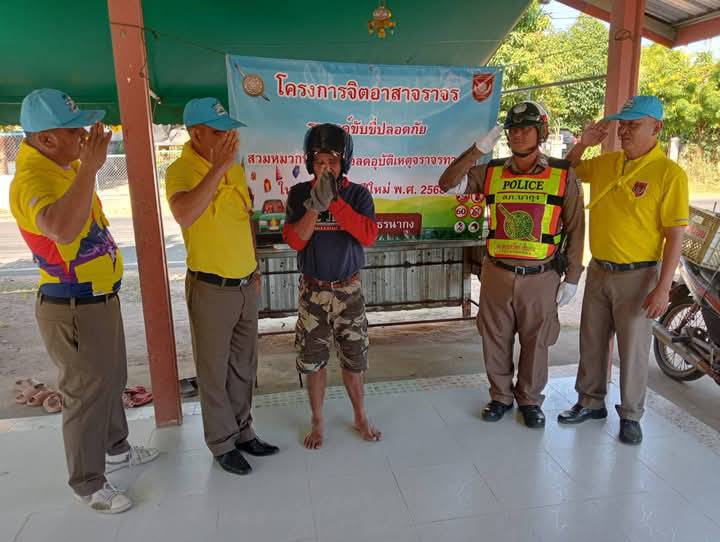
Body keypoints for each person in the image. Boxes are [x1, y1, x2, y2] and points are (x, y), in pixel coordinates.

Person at [9, 88, 158, 514]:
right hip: (72, 305)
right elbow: (59, 228)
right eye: (74, 130)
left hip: (98, 298)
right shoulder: (31, 180)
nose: (83, 137)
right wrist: (90, 168)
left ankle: (117, 450)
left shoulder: (65, 166)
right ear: (46, 138)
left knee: (110, 380)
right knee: (84, 396)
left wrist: (85, 166)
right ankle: (88, 483)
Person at [438, 101, 585, 428]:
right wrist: (477, 151)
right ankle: (501, 396)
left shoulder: (562, 174)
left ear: (541, 132)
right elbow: (447, 183)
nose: (518, 135)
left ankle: (529, 400)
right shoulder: (491, 171)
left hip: (541, 276)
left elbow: (576, 227)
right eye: (513, 129)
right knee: (495, 339)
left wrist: (573, 277)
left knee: (537, 342)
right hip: (497, 274)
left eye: (526, 129)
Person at [558, 95, 689, 445]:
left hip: (639, 276)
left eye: (634, 125)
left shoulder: (669, 174)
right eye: (623, 124)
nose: (624, 131)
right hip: (600, 269)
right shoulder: (607, 163)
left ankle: (631, 414)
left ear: (656, 128)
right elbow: (563, 173)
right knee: (592, 341)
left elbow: (675, 235)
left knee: (633, 350)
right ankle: (590, 402)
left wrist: (663, 288)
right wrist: (583, 144)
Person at [165, 98, 278, 475]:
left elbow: (245, 219)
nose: (229, 138)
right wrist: (218, 168)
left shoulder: (235, 169)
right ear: (196, 134)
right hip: (211, 289)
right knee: (213, 371)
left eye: (230, 131)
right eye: (220, 132)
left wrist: (255, 266)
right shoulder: (181, 170)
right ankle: (221, 443)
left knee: (244, 366)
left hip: (245, 283)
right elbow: (184, 213)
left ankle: (244, 432)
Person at [283, 123, 381, 449]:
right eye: (320, 162)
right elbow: (295, 241)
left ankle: (360, 416)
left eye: (333, 162)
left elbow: (368, 235)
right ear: (310, 163)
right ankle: (317, 420)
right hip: (313, 292)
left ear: (344, 163)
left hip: (349, 292)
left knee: (354, 360)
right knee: (313, 362)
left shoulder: (358, 194)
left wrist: (335, 203)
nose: (326, 168)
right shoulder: (299, 194)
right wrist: (315, 206)